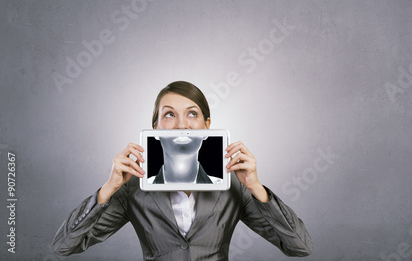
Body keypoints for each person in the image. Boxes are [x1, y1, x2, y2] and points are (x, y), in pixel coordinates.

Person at [51, 81, 313, 260]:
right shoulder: (134, 188)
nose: (180, 126)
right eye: (168, 115)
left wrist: (257, 188)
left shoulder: (233, 185)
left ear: (207, 125)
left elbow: (299, 247)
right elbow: (64, 246)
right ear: (155, 127)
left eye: (192, 114)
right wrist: (108, 189)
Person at [149, 135, 222, 184]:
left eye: (192, 114)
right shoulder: (138, 189)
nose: (182, 126)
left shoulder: (229, 189)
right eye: (170, 115)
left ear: (206, 126)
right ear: (156, 129)